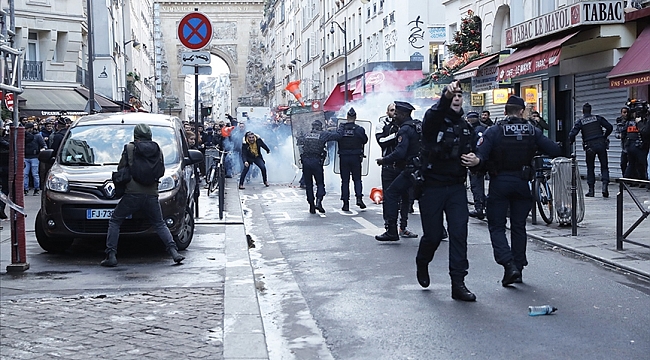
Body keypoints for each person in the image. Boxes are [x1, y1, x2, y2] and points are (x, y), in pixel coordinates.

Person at [464, 95, 561, 287]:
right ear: (522, 111)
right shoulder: (532, 131)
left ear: (505, 111)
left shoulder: (494, 131)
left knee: (497, 226)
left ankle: (508, 264)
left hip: (500, 182)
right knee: (519, 227)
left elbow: (480, 156)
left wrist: (476, 163)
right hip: (522, 183)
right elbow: (554, 150)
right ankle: (519, 267)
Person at [412, 81, 475, 301]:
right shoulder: (433, 120)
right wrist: (445, 96)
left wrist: (477, 160)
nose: (457, 98)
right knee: (434, 235)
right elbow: (435, 114)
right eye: (453, 95)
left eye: (460, 95)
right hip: (432, 187)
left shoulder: (467, 126)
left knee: (459, 233)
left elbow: (479, 152)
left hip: (456, 186)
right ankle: (423, 261)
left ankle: (458, 283)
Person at [101, 123, 185, 267]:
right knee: (159, 223)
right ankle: (174, 252)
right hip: (151, 193)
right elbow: (161, 170)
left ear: (136, 136)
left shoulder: (129, 148)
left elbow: (122, 168)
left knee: (115, 220)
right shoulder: (157, 149)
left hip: (132, 193)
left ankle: (111, 255)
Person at [375, 101, 421, 241]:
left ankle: (392, 230)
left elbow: (400, 152)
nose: (394, 115)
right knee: (425, 197)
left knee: (392, 194)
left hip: (408, 168)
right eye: (392, 111)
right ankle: (439, 230)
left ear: (403, 114)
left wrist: (384, 160)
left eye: (396, 113)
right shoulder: (417, 126)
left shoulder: (405, 129)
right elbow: (381, 141)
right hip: (418, 168)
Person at [568, 103, 613, 197]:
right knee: (604, 166)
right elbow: (610, 127)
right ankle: (605, 186)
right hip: (601, 144)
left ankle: (591, 190)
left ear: (583, 111)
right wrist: (604, 136)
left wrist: (570, 142)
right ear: (591, 110)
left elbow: (572, 134)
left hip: (589, 146)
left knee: (590, 167)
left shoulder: (580, 121)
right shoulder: (598, 118)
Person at [298, 119, 341, 213]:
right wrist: (340, 128)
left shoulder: (306, 134)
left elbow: (299, 142)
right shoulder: (323, 134)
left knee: (309, 185)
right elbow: (338, 136)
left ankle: (311, 205)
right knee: (320, 183)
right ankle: (318, 202)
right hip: (317, 162)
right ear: (320, 127)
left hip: (306, 162)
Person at [336, 107, 368, 211]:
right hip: (355, 157)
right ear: (355, 117)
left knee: (345, 181)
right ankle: (359, 198)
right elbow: (365, 140)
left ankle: (345, 203)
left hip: (344, 157)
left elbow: (337, 138)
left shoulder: (341, 129)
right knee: (357, 179)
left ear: (347, 117)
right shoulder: (359, 129)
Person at [622, 99, 650, 180]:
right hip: (637, 146)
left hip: (632, 145)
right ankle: (643, 181)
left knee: (633, 164)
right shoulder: (639, 122)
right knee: (643, 164)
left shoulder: (637, 121)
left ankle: (626, 182)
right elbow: (644, 131)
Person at [466, 112, 487, 219]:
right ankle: (484, 204)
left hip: (476, 160)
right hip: (487, 159)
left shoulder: (471, 130)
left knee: (476, 184)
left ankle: (479, 208)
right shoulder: (485, 128)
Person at [23, 122, 46, 196]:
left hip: (31, 156)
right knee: (31, 174)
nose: (26, 130)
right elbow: (44, 145)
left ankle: (30, 188)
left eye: (27, 129)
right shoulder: (37, 136)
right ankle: (34, 189)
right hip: (32, 156)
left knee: (30, 174)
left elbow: (43, 145)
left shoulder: (37, 136)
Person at [615, 107, 630, 175]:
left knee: (632, 165)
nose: (626, 114)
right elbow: (616, 133)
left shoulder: (631, 122)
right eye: (624, 112)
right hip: (624, 147)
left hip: (631, 146)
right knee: (623, 164)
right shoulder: (620, 122)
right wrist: (619, 135)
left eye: (627, 112)